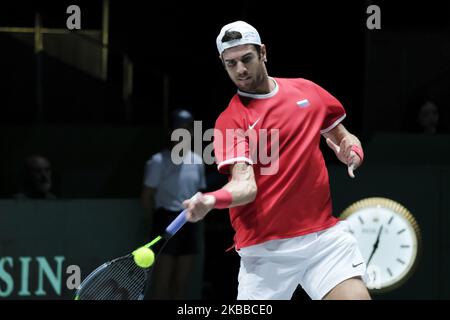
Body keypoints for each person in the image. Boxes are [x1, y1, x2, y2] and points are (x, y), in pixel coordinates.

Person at [182, 21, 371, 300]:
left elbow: (345, 137)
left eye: (246, 59)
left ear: (263, 52)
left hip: (323, 240)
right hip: (266, 252)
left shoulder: (307, 92)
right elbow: (245, 186)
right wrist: (212, 200)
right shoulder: (231, 121)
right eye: (230, 63)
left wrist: (352, 152)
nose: (240, 70)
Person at [141, 109, 207, 299]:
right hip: (165, 222)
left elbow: (199, 194)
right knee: (162, 282)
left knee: (181, 283)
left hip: (190, 223)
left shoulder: (197, 161)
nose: (184, 133)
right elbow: (146, 196)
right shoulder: (157, 161)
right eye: (180, 128)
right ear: (171, 131)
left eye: (188, 129)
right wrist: (155, 221)